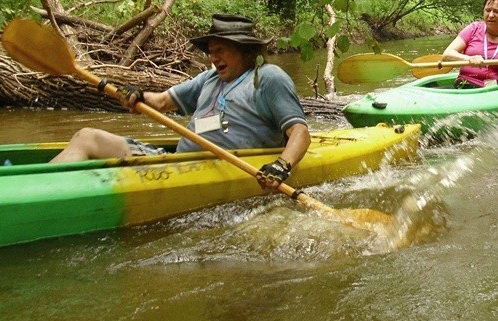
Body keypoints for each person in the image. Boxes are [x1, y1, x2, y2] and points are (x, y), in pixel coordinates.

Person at [50, 14, 311, 190]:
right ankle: (43, 188)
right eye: (210, 51)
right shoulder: (208, 78)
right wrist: (138, 95)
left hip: (220, 169)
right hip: (176, 163)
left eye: (220, 50)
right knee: (87, 136)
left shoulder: (266, 78)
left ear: (244, 49)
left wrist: (282, 165)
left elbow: (299, 132)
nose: (213, 57)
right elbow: (162, 102)